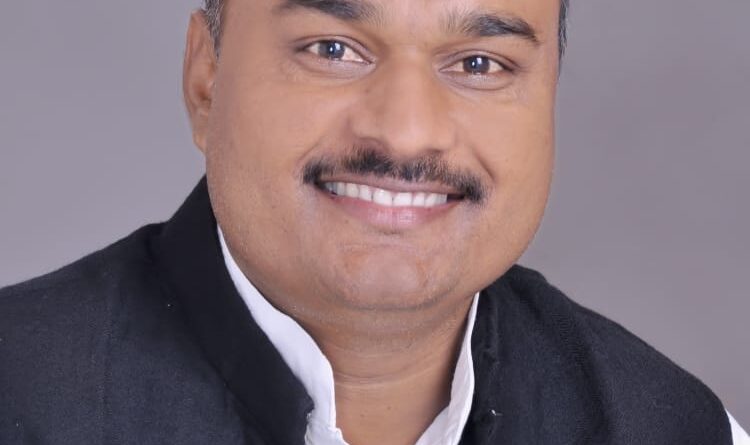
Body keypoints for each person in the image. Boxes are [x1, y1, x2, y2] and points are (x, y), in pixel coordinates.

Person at [0, 0, 747, 443]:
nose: (406, 132)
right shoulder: (20, 398)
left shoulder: (671, 427)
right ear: (206, 79)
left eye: (479, 64)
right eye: (333, 49)